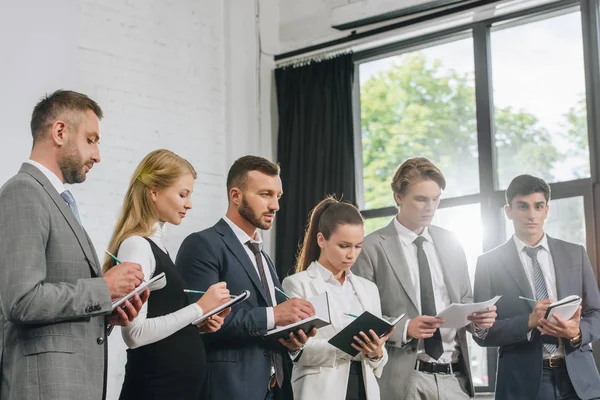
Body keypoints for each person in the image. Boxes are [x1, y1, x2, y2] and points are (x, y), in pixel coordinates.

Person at [0, 90, 146, 400]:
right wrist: (103, 290)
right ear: (60, 132)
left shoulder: (58, 201)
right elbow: (20, 300)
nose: (97, 155)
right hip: (44, 389)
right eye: (91, 140)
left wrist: (105, 312)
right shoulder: (23, 192)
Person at [353, 157, 497, 400]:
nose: (430, 207)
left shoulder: (452, 243)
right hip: (402, 381)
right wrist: (406, 328)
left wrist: (479, 321)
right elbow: (359, 315)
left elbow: (465, 300)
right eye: (421, 199)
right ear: (398, 197)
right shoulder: (371, 248)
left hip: (455, 379)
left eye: (436, 199)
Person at [176, 155, 317, 400]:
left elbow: (266, 328)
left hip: (276, 390)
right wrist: (275, 315)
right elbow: (201, 323)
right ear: (235, 195)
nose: (275, 205)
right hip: (228, 390)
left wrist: (292, 340)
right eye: (265, 194)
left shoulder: (262, 256)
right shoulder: (202, 245)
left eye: (278, 196)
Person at [102, 149, 232, 399]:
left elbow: (163, 319)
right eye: (183, 194)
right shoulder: (137, 245)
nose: (189, 204)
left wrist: (199, 324)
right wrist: (199, 309)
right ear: (153, 191)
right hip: (154, 388)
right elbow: (135, 335)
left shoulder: (157, 247)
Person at [473, 174, 600, 400]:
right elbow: (482, 334)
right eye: (523, 207)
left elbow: (596, 313)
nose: (531, 215)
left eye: (538, 206)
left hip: (579, 380)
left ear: (546, 211)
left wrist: (577, 332)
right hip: (522, 383)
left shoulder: (575, 253)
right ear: (508, 211)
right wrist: (528, 322)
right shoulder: (488, 263)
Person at [282, 197, 392, 400]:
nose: (352, 254)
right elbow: (297, 351)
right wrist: (345, 345)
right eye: (344, 246)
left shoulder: (368, 289)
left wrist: (376, 352)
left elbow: (379, 362)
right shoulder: (298, 284)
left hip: (364, 390)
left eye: (358, 246)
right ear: (321, 239)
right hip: (320, 391)